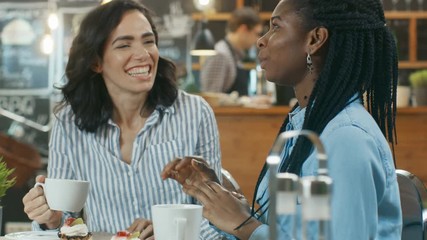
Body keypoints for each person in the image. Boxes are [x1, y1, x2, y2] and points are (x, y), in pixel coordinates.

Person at [162, 0, 402, 239]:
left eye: (276, 27)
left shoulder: (346, 137)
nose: (262, 40)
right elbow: (289, 230)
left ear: (315, 39)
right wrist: (217, 196)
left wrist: (245, 226)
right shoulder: (307, 124)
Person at [22, 0, 223, 239]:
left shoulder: (195, 112)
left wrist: (170, 232)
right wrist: (50, 220)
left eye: (148, 41)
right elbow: (66, 222)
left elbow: (218, 218)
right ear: (96, 62)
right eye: (124, 45)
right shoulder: (69, 124)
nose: (143, 54)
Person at [200, 7, 262, 96]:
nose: (258, 39)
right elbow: (211, 97)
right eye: (256, 34)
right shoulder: (220, 54)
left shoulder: (235, 54)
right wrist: (245, 102)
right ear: (243, 29)